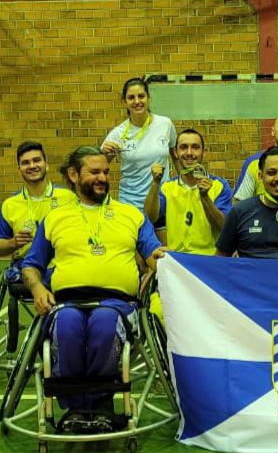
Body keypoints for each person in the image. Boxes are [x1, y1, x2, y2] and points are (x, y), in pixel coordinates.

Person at [22, 146, 166, 433]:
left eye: (106, 172)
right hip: (67, 303)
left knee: (105, 323)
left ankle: (100, 406)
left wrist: (161, 258)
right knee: (67, 325)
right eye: (94, 172)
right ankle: (76, 408)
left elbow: (153, 254)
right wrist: (37, 288)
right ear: (74, 175)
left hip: (117, 303)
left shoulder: (131, 215)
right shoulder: (55, 218)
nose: (102, 178)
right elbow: (31, 265)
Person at [0, 141, 77, 287]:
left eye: (37, 160)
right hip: (24, 267)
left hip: (62, 265)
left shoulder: (69, 198)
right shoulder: (10, 204)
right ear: (19, 170)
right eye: (25, 163)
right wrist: (13, 243)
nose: (32, 166)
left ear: (46, 165)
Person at [144, 128, 232, 255]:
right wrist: (155, 183)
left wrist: (205, 197)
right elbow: (151, 218)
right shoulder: (166, 188)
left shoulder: (220, 186)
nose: (189, 153)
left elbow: (224, 228)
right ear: (175, 152)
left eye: (195, 147)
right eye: (183, 147)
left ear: (204, 152)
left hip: (210, 259)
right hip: (178, 260)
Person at [100, 77, 177, 209]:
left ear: (148, 98)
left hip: (161, 202)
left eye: (141, 96)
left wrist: (184, 184)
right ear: (125, 101)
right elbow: (99, 166)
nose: (137, 101)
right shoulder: (118, 133)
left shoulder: (165, 124)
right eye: (131, 98)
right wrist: (104, 154)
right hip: (131, 204)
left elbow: (175, 155)